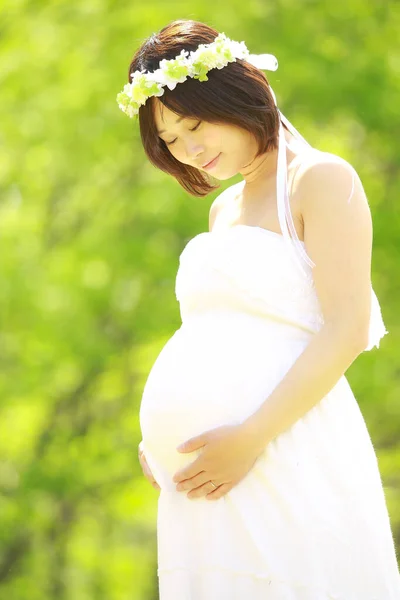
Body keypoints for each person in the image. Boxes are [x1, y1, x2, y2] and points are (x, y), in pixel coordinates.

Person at [117, 18, 400, 600]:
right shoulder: (224, 210)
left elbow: (346, 328)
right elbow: (216, 332)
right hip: (207, 474)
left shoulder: (320, 180)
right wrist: (162, 439)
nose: (188, 149)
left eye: (194, 124)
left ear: (236, 94)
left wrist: (250, 437)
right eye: (171, 140)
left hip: (283, 445)